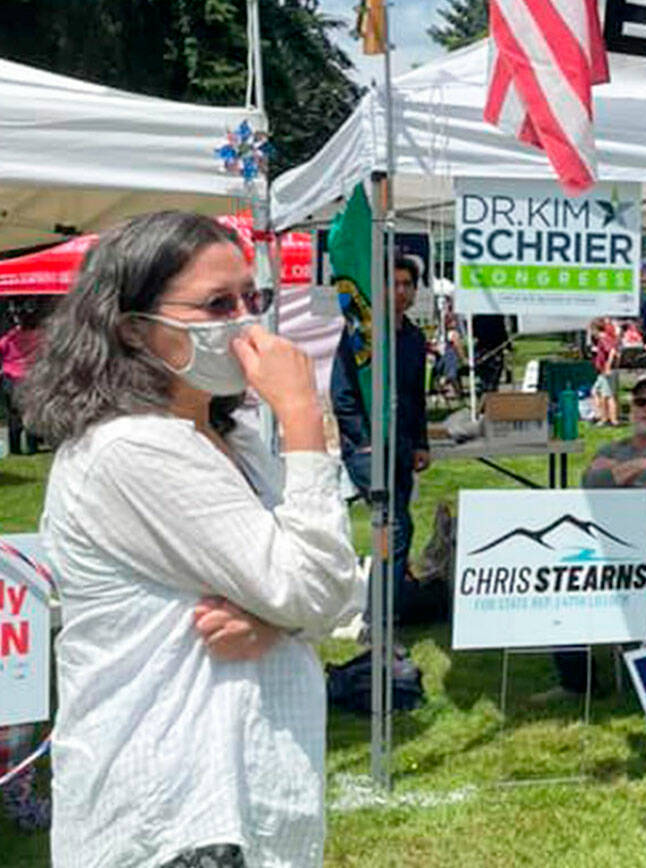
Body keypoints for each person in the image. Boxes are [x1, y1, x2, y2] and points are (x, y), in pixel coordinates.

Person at [20, 211, 363, 867]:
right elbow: (313, 589)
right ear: (134, 330)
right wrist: (302, 419)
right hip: (174, 813)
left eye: (250, 299)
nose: (245, 322)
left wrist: (281, 622)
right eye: (216, 304)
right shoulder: (134, 448)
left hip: (240, 796)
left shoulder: (229, 439)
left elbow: (333, 593)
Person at [542, 374, 646, 699]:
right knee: (562, 576)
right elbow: (591, 482)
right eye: (640, 402)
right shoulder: (611, 446)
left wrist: (619, 471)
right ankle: (577, 683)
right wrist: (639, 466)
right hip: (611, 547)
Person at [331, 255, 430, 619]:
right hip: (367, 448)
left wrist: (421, 443)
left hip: (401, 447)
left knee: (396, 527)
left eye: (408, 284)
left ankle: (385, 612)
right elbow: (341, 393)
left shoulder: (415, 338)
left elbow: (416, 396)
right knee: (396, 526)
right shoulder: (362, 335)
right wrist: (362, 439)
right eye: (394, 284)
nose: (401, 291)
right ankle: (379, 620)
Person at [0, 301, 45, 455]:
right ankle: (32, 447)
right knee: (31, 413)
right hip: (32, 378)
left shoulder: (10, 338)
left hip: (10, 378)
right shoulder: (38, 337)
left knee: (13, 415)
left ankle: (15, 448)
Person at [589, 317, 621, 426]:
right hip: (602, 371)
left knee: (608, 395)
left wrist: (608, 365)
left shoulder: (604, 339)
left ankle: (611, 419)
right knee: (595, 391)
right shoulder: (602, 340)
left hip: (607, 371)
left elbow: (612, 351)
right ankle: (600, 415)